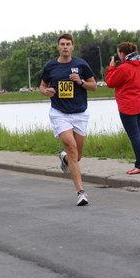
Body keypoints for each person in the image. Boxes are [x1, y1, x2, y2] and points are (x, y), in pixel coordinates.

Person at [39, 33, 97, 206]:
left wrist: (80, 81)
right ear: (58, 47)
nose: (65, 47)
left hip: (80, 113)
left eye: (68, 44)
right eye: (62, 44)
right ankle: (81, 192)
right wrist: (45, 91)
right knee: (72, 148)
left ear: (72, 47)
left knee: (76, 157)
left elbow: (93, 86)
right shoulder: (51, 66)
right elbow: (42, 86)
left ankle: (64, 159)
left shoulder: (80, 64)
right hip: (59, 113)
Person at [105, 42, 140, 175]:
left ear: (123, 54)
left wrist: (111, 67)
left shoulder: (124, 68)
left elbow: (110, 83)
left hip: (128, 106)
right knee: (138, 135)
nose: (117, 56)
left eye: (118, 53)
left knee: (134, 136)